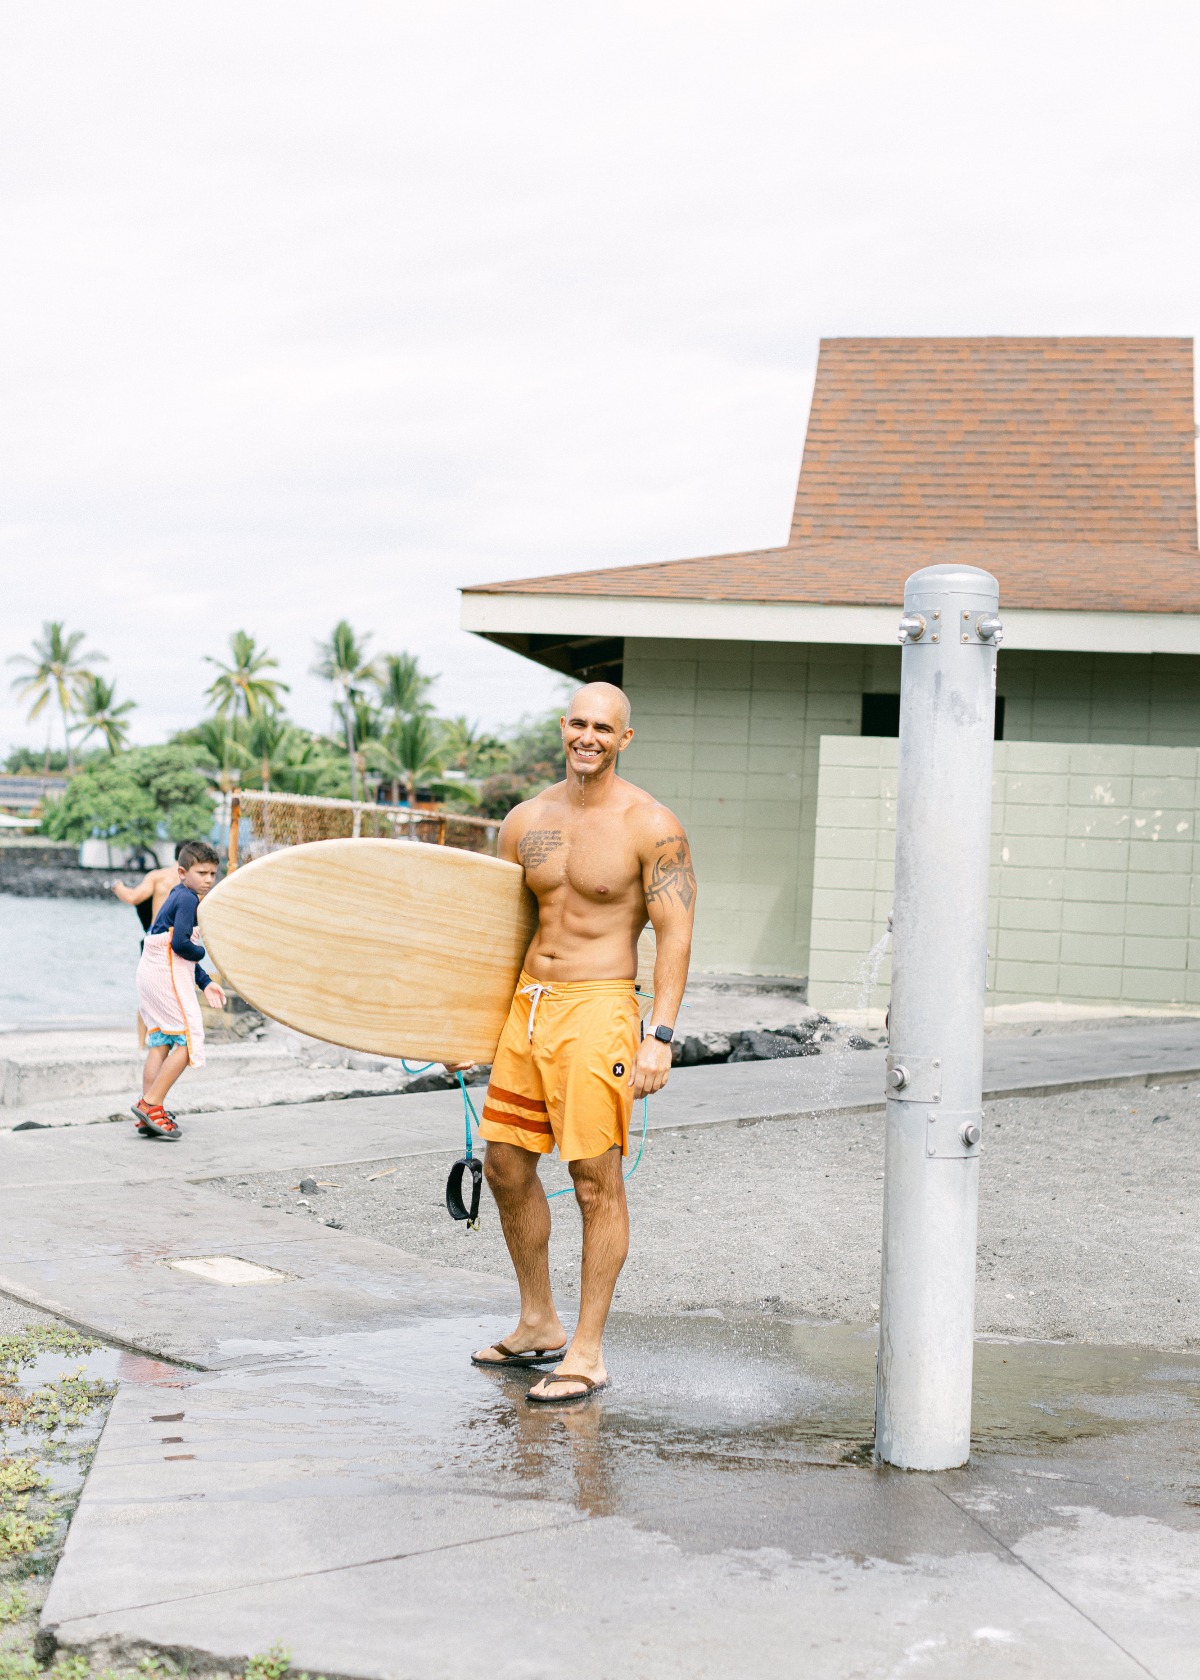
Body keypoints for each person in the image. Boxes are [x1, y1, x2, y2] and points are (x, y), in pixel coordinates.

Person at [470, 681, 695, 1403]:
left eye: (604, 726)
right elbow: (496, 930)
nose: (588, 736)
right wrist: (458, 1026)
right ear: (562, 728)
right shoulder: (525, 821)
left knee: (596, 1184)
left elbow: (676, 932)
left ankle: (588, 1352)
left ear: (625, 739)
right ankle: (539, 1321)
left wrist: (659, 1034)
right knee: (504, 1167)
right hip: (526, 1007)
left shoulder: (651, 825)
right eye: (578, 723)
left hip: (599, 1010)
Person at [131, 840, 226, 1139]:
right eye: (202, 873)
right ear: (182, 872)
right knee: (187, 1040)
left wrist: (206, 982)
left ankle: (150, 1112)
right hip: (163, 973)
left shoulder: (177, 894)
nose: (209, 880)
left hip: (150, 973)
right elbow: (182, 946)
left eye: (213, 873)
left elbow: (178, 950)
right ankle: (151, 1104)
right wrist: (206, 949)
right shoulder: (188, 899)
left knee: (160, 1040)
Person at [113, 846, 186, 1048]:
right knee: (178, 991)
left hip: (155, 939)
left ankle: (141, 1044)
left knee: (148, 992)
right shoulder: (195, 882)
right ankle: (175, 1039)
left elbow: (133, 898)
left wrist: (116, 886)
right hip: (180, 940)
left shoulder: (158, 876)